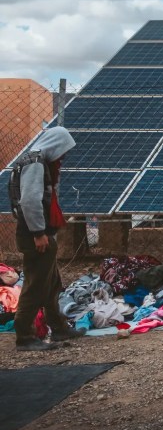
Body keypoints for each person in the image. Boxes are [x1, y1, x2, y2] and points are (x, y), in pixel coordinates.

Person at [7, 126, 85, 351]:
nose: (63, 157)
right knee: (36, 285)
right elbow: (30, 200)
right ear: (56, 145)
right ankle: (25, 336)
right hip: (35, 235)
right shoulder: (35, 163)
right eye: (63, 151)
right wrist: (39, 233)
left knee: (51, 283)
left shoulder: (37, 161)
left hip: (41, 232)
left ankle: (58, 327)